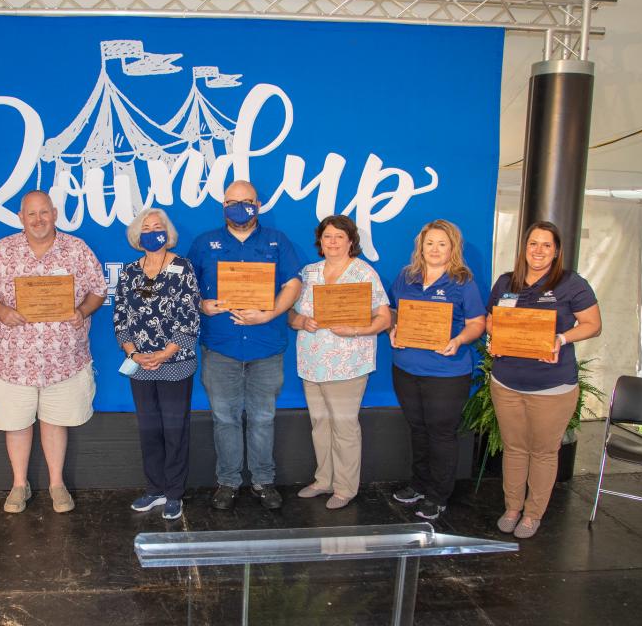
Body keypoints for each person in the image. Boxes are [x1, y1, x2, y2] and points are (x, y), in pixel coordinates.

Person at [0, 190, 106, 514]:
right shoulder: (2, 251)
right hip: (12, 362)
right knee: (16, 424)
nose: (38, 220)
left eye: (44, 212)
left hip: (64, 362)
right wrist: (1, 311)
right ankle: (19, 484)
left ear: (55, 213)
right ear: (21, 217)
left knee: (55, 421)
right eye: (31, 214)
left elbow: (98, 290)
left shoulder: (77, 249)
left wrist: (83, 311)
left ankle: (56, 483)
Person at [187, 180, 303, 511]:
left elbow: (293, 284)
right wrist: (201, 304)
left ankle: (263, 481)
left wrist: (271, 314)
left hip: (266, 347)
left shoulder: (277, 241)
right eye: (232, 201)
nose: (240, 207)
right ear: (223, 205)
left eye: (247, 201)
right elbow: (186, 285)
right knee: (225, 419)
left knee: (263, 418)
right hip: (220, 347)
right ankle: (227, 481)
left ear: (259, 204)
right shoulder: (204, 243)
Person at [488, 221, 601, 538]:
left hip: (552, 387)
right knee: (513, 448)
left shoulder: (570, 283)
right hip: (506, 382)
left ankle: (533, 513)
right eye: (532, 244)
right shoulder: (506, 282)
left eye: (546, 245)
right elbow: (490, 319)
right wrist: (495, 335)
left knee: (543, 452)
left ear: (556, 251)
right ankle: (512, 507)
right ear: (524, 248)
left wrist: (561, 339)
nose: (538, 250)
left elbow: (592, 323)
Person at [288, 215, 390, 510]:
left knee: (344, 426)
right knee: (320, 424)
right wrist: (301, 321)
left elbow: (384, 318)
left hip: (348, 364)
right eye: (327, 236)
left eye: (339, 237)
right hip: (311, 362)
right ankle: (324, 480)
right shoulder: (308, 272)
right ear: (320, 241)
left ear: (351, 241)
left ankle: (345, 487)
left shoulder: (363, 273)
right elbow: (290, 315)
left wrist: (358, 329)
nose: (332, 242)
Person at [388, 219, 486, 521]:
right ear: (421, 246)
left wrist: (458, 340)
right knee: (417, 430)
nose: (435, 249)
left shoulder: (462, 282)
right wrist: (393, 328)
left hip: (447, 373)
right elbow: (393, 309)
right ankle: (418, 484)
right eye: (430, 243)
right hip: (406, 368)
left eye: (442, 244)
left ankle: (438, 495)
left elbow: (477, 324)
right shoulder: (407, 276)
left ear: (452, 248)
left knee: (441, 434)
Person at [113, 208, 201, 521]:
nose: (153, 231)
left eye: (158, 226)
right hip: (139, 365)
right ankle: (154, 489)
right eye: (146, 227)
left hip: (175, 363)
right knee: (149, 429)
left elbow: (189, 317)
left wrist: (164, 354)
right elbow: (121, 317)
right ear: (138, 236)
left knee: (175, 430)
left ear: (168, 233)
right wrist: (133, 353)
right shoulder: (128, 272)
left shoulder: (183, 267)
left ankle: (175, 493)